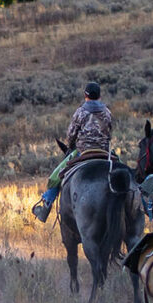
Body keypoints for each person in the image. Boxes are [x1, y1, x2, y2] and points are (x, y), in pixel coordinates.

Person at [32, 80, 112, 222]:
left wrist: (71, 145)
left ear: (85, 96)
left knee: (56, 175)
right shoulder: (106, 112)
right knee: (122, 170)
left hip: (83, 151)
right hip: (104, 151)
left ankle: (46, 205)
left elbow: (71, 135)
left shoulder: (80, 112)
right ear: (99, 96)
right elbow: (109, 132)